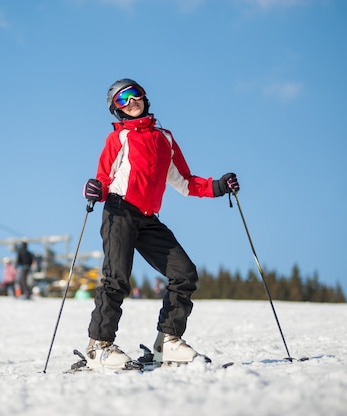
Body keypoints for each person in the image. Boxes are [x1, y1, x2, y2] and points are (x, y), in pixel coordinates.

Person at [82, 78, 240, 370]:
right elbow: (104, 177)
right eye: (122, 100)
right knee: (116, 278)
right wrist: (94, 189)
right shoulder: (119, 138)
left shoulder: (164, 138)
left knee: (184, 273)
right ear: (116, 110)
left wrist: (218, 186)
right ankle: (99, 346)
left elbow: (185, 181)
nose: (131, 101)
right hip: (119, 211)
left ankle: (167, 342)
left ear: (144, 97)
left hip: (147, 217)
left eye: (134, 94)